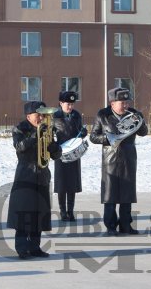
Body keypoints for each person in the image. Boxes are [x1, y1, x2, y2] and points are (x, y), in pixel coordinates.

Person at [7, 101, 62, 259]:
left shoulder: (48, 129)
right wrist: (35, 135)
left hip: (42, 176)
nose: (41, 117)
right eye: (38, 115)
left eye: (43, 115)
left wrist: (53, 147)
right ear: (28, 116)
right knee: (25, 213)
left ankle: (35, 247)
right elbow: (19, 147)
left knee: (39, 213)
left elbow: (57, 155)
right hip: (26, 175)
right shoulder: (20, 128)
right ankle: (22, 248)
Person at [89, 87, 148, 236]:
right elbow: (93, 137)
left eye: (127, 102)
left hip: (128, 158)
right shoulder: (103, 115)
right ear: (112, 103)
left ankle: (125, 225)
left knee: (127, 194)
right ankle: (110, 227)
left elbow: (143, 133)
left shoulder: (133, 114)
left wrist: (140, 121)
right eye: (122, 102)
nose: (125, 105)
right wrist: (108, 138)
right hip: (110, 158)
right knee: (110, 195)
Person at [53, 91, 87, 221]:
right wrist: (54, 147)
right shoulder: (55, 116)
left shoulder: (76, 115)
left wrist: (83, 133)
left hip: (74, 153)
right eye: (68, 104)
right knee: (62, 184)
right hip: (60, 153)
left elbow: (80, 132)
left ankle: (70, 211)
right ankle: (62, 211)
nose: (70, 107)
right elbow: (50, 135)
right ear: (61, 103)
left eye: (72, 104)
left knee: (72, 183)